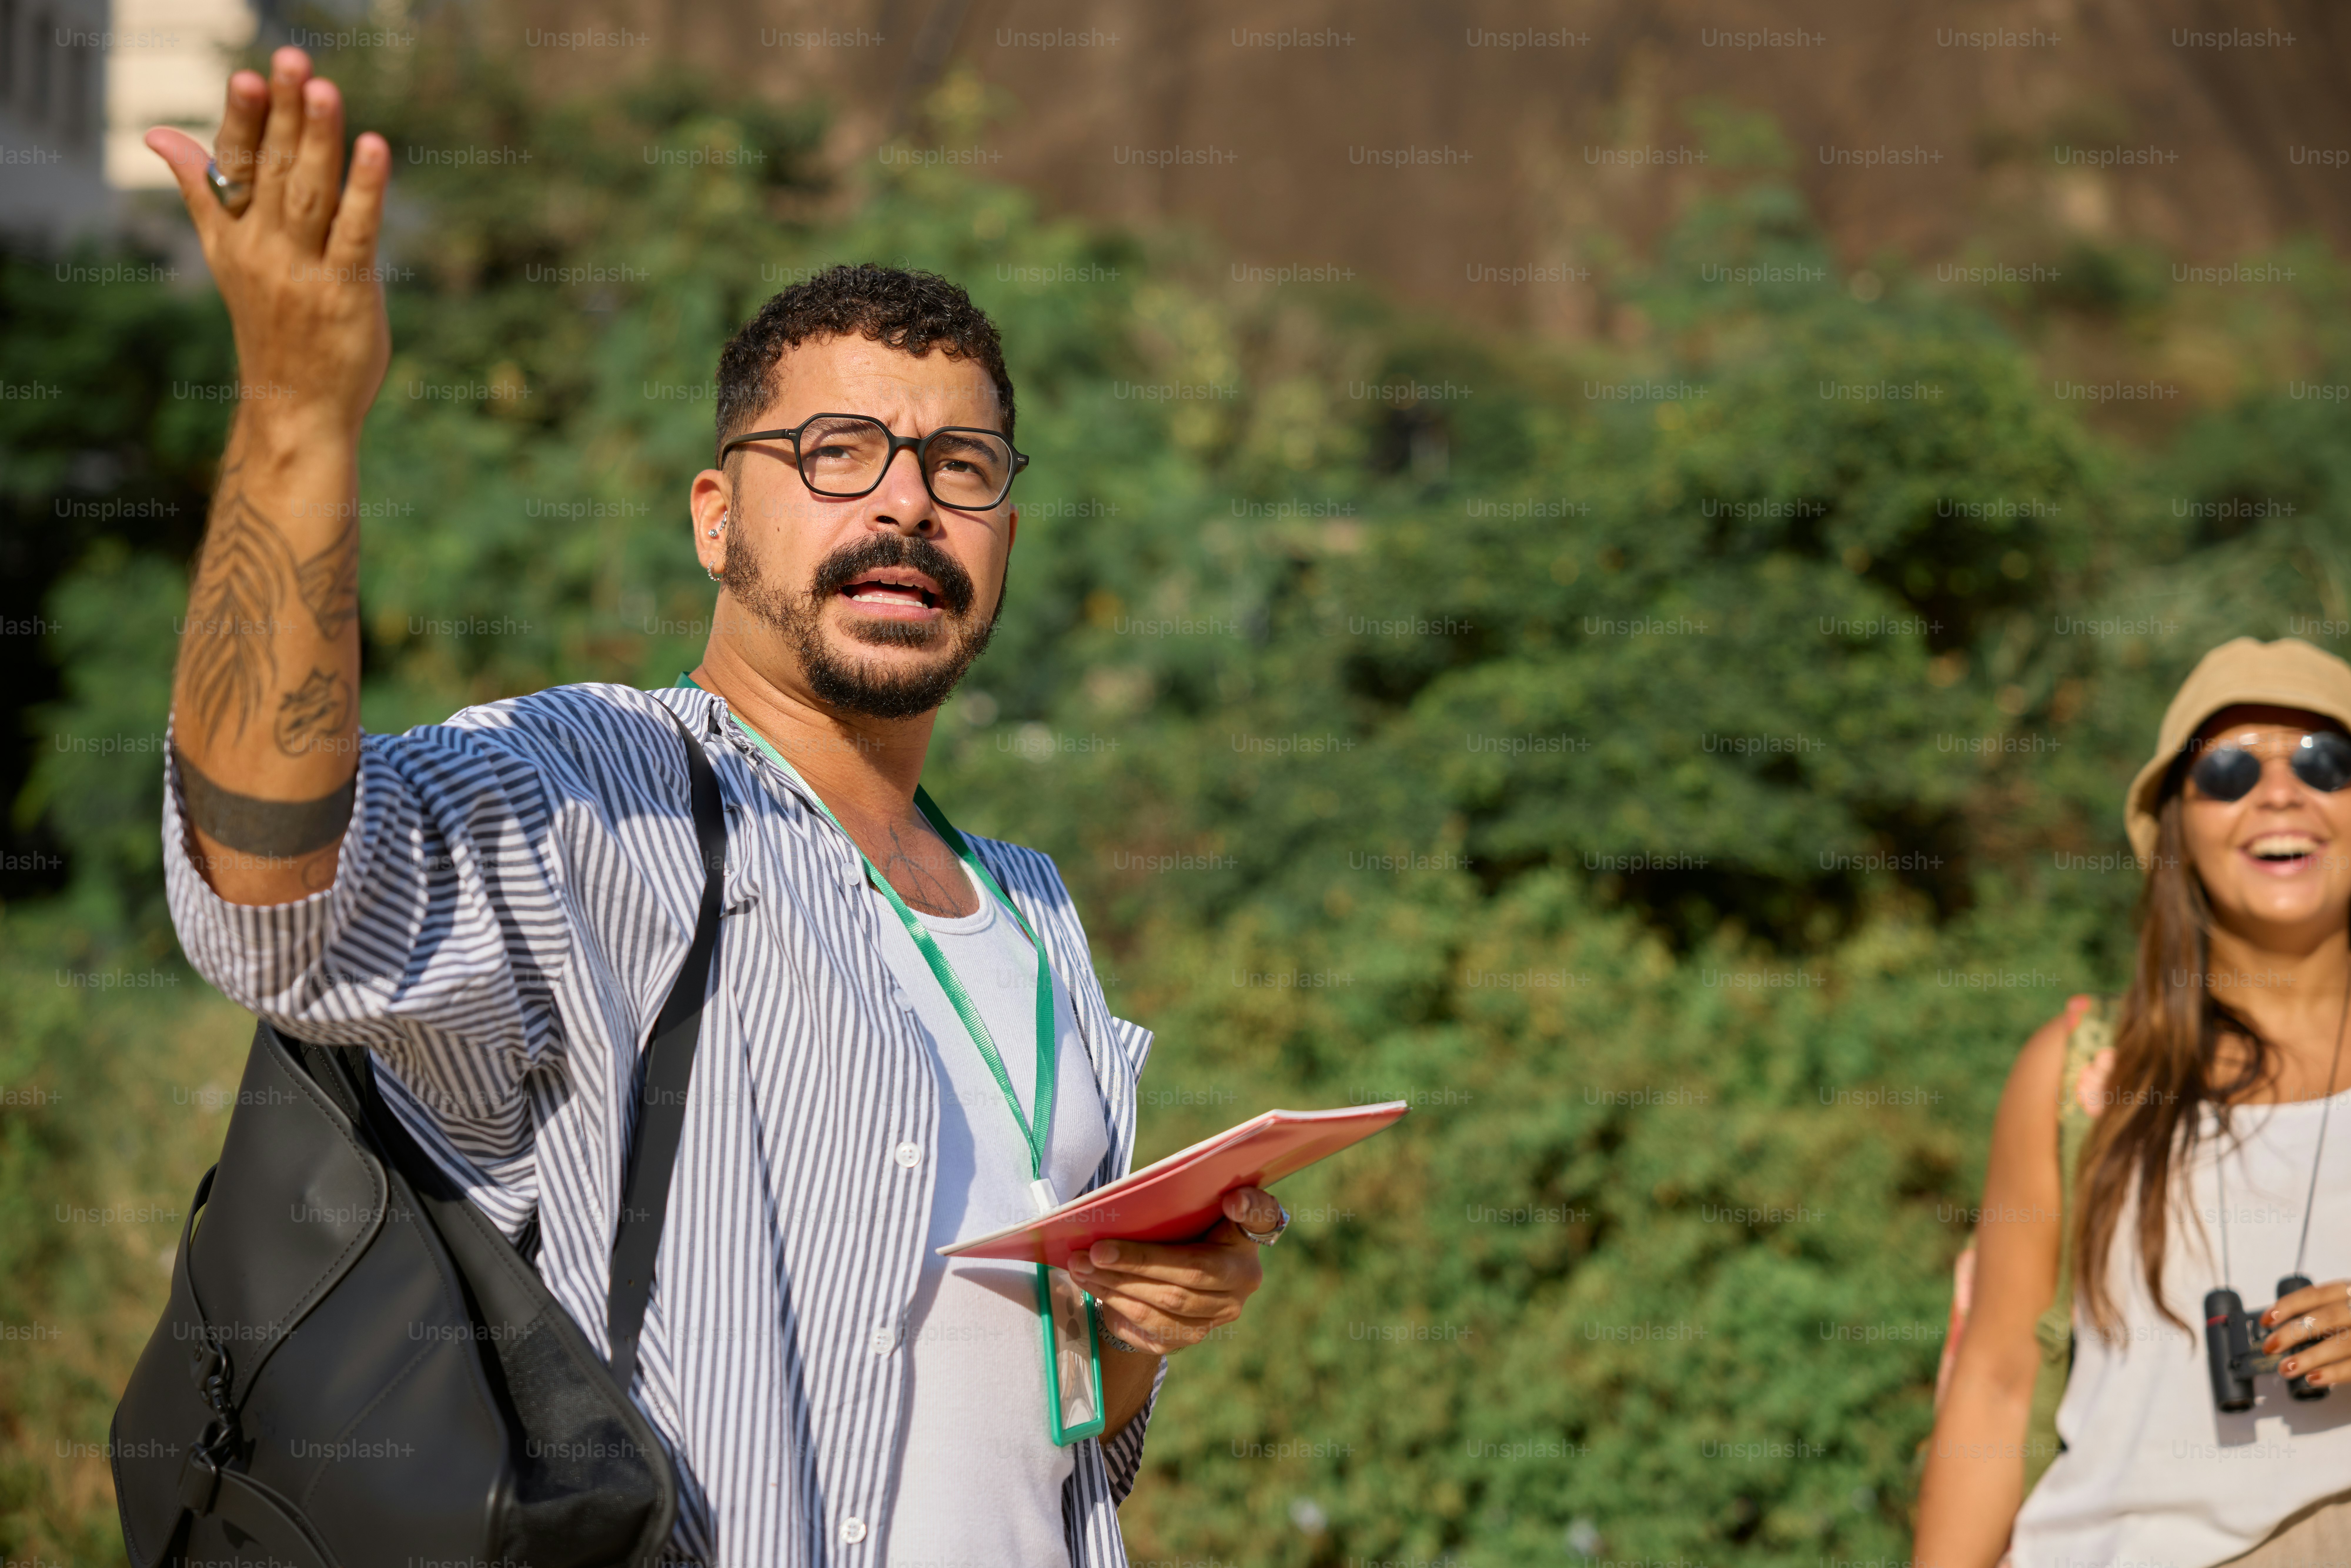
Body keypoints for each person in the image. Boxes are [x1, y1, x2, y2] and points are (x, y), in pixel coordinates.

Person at [142, 48, 1288, 1567]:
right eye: (836, 454)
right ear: (715, 515)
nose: (904, 505)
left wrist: (1142, 1322)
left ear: (1006, 527)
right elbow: (276, 898)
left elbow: (1055, 1438)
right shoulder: (605, 796)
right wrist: (297, 416)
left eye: (962, 466)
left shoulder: (1035, 907)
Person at [1916, 636, 2351, 1567]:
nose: (2280, 792)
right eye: (2228, 771)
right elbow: (1995, 1384)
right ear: (2175, 833)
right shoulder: (2082, 1074)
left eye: (2326, 761)